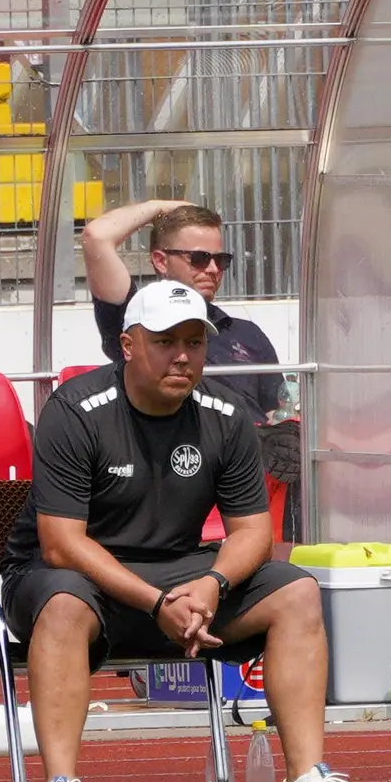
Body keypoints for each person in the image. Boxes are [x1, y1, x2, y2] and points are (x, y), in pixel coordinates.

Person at [0, 281, 376, 782]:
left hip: (178, 578)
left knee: (297, 591)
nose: (183, 355)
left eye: (195, 342)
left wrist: (210, 584)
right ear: (128, 345)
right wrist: (159, 602)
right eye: (165, 340)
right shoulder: (77, 410)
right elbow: (62, 545)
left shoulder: (223, 414)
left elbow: (252, 532)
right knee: (63, 603)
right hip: (67, 579)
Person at [81, 200, 294, 541]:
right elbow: (96, 237)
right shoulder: (139, 321)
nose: (212, 269)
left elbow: (277, 410)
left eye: (220, 260)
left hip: (254, 478)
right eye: (198, 258)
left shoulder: (245, 333)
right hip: (180, 470)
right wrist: (160, 207)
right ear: (160, 260)